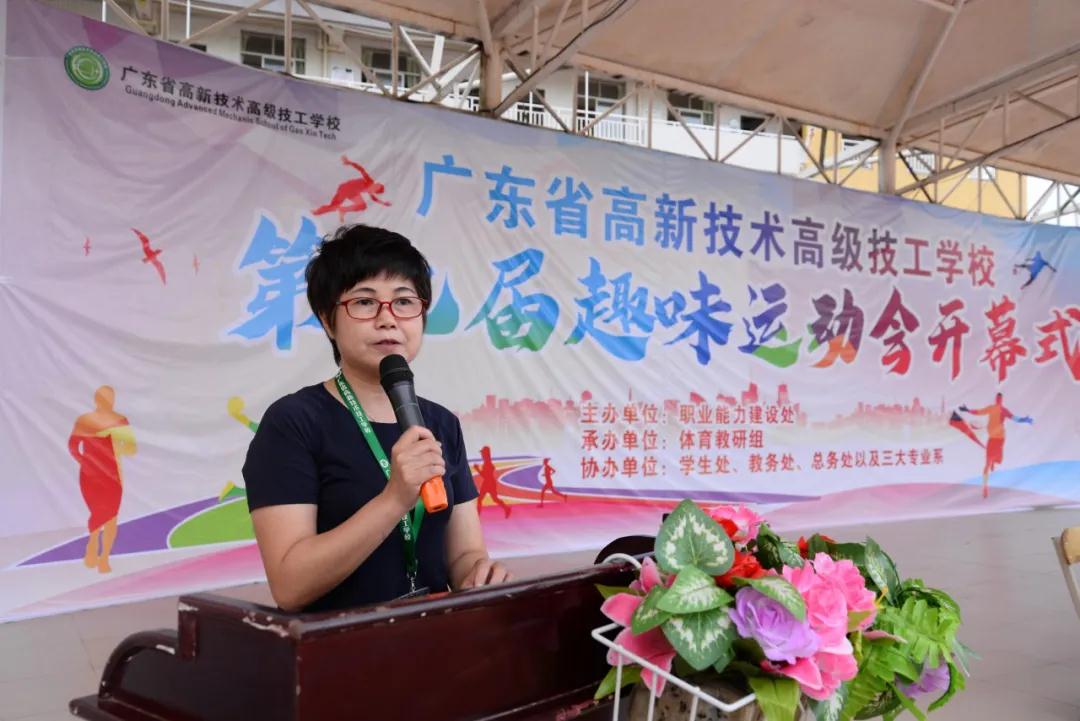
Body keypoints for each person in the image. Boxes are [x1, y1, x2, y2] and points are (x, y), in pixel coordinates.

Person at [243, 225, 510, 613]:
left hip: (433, 636)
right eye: (365, 302)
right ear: (328, 320)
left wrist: (478, 573)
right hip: (337, 642)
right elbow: (290, 585)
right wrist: (395, 498)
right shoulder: (293, 423)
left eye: (404, 301)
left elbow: (464, 554)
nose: (388, 319)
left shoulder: (441, 423)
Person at [67, 385, 136, 573]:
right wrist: (86, 463)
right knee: (98, 512)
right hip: (90, 476)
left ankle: (104, 557)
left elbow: (131, 449)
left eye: (110, 399)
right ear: (96, 400)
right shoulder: (85, 420)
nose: (108, 402)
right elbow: (73, 446)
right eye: (104, 399)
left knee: (112, 516)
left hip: (112, 476)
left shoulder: (120, 421)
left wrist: (116, 439)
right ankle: (92, 544)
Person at [958, 392, 1033, 499]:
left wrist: (1025, 420)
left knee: (995, 460)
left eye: (999, 398)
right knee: (988, 463)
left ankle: (992, 463)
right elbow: (979, 412)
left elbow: (1014, 418)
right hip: (994, 439)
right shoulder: (994, 408)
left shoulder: (1001, 409)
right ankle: (985, 486)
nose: (998, 399)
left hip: (999, 439)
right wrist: (967, 410)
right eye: (998, 398)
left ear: (999, 399)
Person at [472, 445, 512, 518]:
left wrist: (477, 469)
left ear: (485, 454)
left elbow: (485, 475)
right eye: (482, 453)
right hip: (489, 483)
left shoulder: (488, 463)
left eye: (482, 453)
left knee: (489, 499)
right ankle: (506, 508)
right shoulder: (486, 462)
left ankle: (507, 508)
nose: (481, 455)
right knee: (490, 499)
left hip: (489, 483)